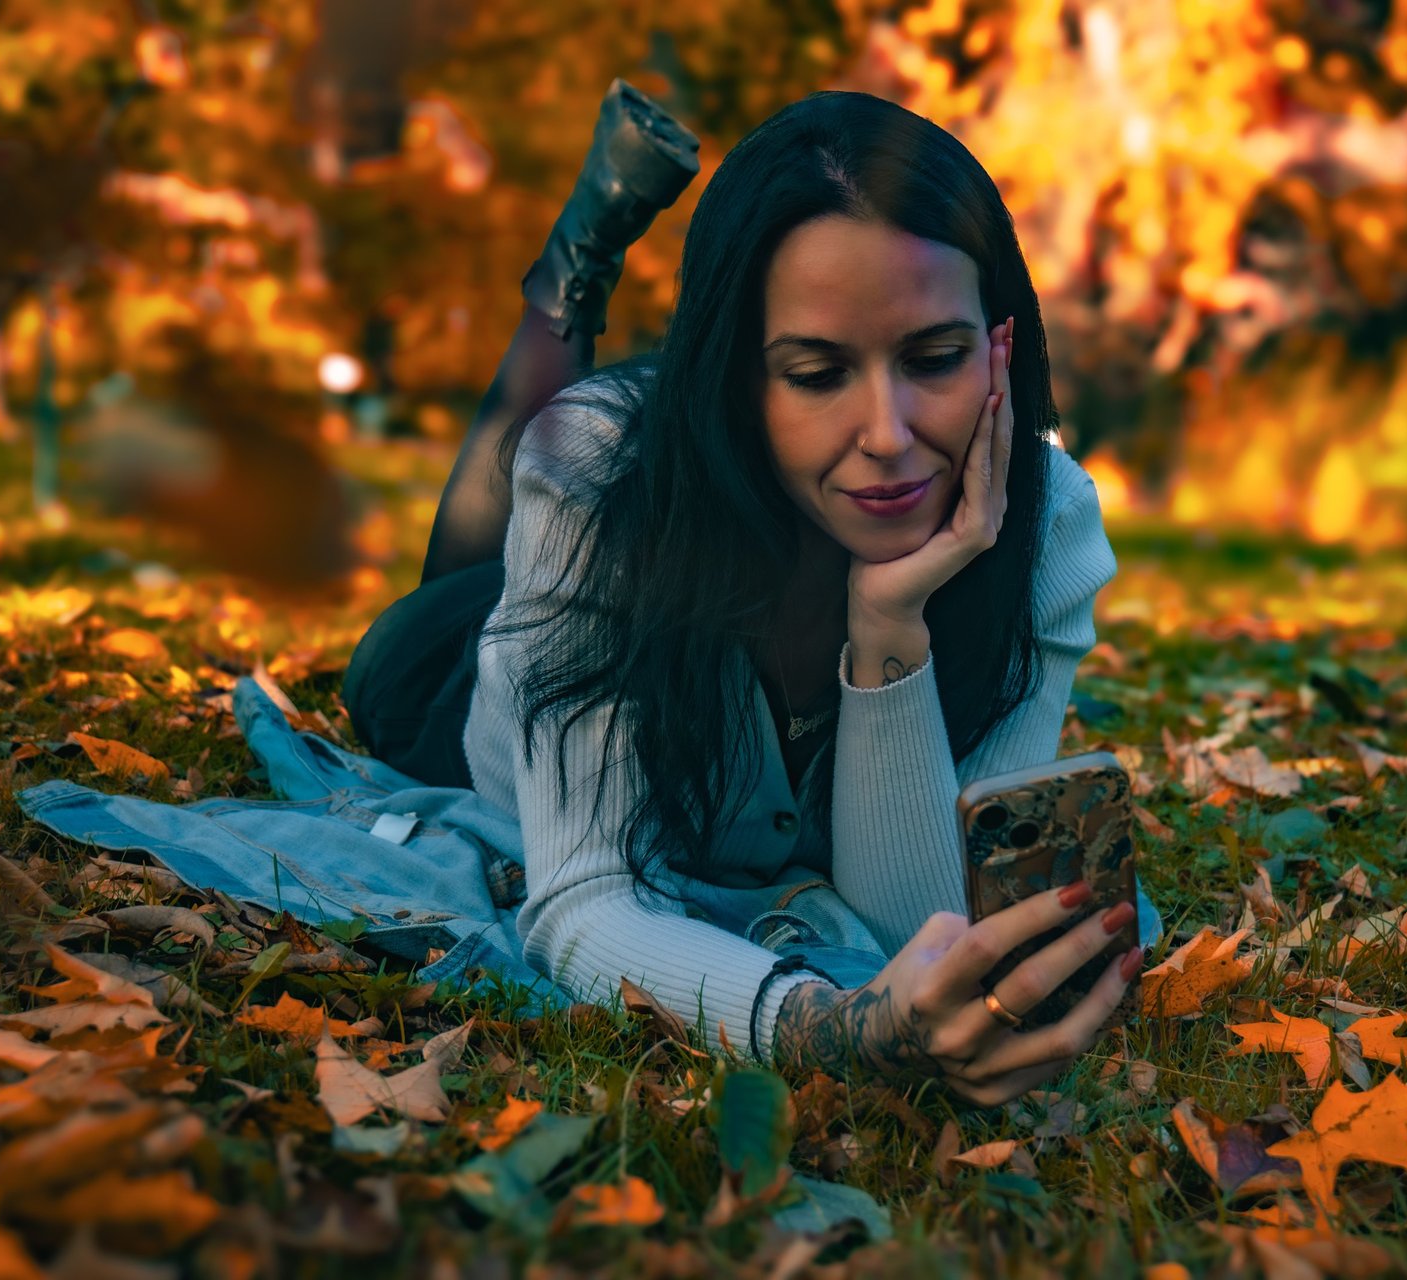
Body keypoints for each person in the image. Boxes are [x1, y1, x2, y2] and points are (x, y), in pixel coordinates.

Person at [343, 83, 1160, 1107]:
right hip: (449, 674)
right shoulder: (601, 481)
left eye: (936, 358)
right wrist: (831, 1029)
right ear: (738, 376)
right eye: (817, 372)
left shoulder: (1049, 527)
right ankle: (570, 278)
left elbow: (910, 929)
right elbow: (582, 901)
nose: (891, 435)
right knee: (493, 522)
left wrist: (888, 628)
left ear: (1001, 344)